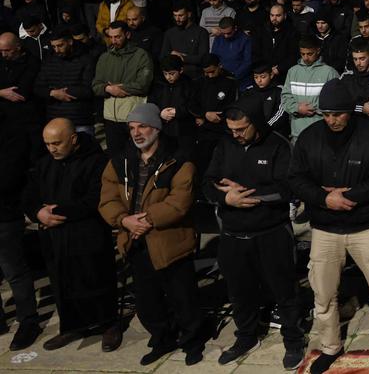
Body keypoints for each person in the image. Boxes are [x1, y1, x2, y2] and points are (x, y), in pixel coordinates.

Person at [287, 79, 369, 374]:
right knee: (323, 295)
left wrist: (347, 197)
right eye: (326, 114)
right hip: (325, 230)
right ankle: (331, 346)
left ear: (350, 111)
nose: (332, 120)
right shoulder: (310, 137)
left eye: (337, 114)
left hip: (366, 227)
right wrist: (325, 199)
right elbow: (296, 178)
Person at [97, 103, 204, 366]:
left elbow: (179, 202)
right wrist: (124, 220)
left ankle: (192, 341)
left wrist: (145, 220)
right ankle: (162, 338)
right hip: (135, 240)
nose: (136, 133)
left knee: (183, 298)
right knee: (147, 301)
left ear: (156, 127)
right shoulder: (120, 161)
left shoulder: (179, 159)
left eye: (142, 126)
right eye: (132, 128)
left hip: (170, 241)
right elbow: (108, 198)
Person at [203, 92, 305, 368]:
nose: (235, 134)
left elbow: (288, 188)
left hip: (271, 233)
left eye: (241, 129)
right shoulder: (224, 145)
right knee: (239, 292)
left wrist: (251, 197)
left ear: (256, 123)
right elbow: (207, 183)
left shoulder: (279, 146)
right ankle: (246, 336)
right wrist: (226, 198)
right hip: (233, 235)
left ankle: (293, 340)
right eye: (231, 129)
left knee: (284, 290)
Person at [24, 119, 122, 351]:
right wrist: (38, 213)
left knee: (96, 277)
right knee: (62, 282)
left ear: (74, 139)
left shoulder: (97, 162)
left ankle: (108, 324)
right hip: (54, 237)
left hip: (87, 233)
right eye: (47, 144)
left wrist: (54, 212)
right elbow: (28, 195)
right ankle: (72, 327)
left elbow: (93, 199)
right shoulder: (44, 164)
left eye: (57, 143)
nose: (52, 148)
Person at [0, 78, 39, 351]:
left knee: (14, 270)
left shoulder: (11, 133)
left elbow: (10, 176)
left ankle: (28, 321)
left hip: (4, 212)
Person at [92, 21, 154, 153]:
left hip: (134, 118)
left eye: (118, 36)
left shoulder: (141, 55)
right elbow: (95, 85)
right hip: (110, 118)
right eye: (111, 37)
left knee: (137, 156)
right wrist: (108, 89)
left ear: (127, 34)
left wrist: (121, 88)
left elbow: (143, 85)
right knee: (115, 158)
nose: (114, 41)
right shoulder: (105, 57)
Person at [280, 36, 339, 140]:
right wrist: (297, 108)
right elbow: (285, 98)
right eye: (303, 54)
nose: (306, 58)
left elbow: (335, 101)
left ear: (318, 50)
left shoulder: (330, 72)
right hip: (297, 133)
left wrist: (313, 108)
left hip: (321, 132)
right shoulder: (292, 72)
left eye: (309, 54)